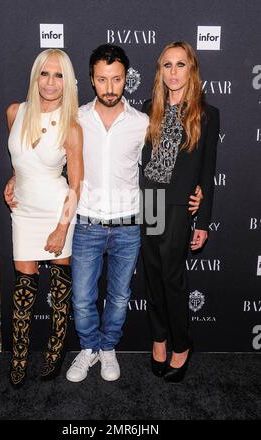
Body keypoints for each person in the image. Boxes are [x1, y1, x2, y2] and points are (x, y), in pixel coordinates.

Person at [65, 44, 202, 383]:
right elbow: (49, 154)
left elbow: (174, 161)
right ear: (92, 80)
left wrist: (198, 192)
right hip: (87, 222)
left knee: (121, 296)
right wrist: (16, 179)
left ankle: (109, 348)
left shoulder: (143, 121)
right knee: (82, 298)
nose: (109, 87)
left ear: (126, 79)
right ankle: (88, 349)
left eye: (116, 79)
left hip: (130, 223)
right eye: (102, 79)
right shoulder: (77, 118)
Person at [140, 41, 219, 382]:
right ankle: (159, 338)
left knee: (172, 278)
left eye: (180, 64)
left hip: (177, 205)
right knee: (154, 276)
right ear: (160, 71)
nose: (173, 71)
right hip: (149, 202)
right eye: (167, 65)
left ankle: (182, 345)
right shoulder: (148, 109)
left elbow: (207, 171)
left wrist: (203, 219)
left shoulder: (205, 113)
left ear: (191, 69)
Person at [4, 48, 83, 387]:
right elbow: (21, 161)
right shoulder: (14, 112)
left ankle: (56, 347)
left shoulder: (72, 126)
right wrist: (12, 180)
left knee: (58, 290)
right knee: (24, 286)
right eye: (45, 73)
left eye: (59, 75)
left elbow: (77, 183)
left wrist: (62, 227)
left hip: (56, 209)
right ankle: (19, 354)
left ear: (67, 82)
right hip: (23, 210)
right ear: (36, 76)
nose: (50, 82)